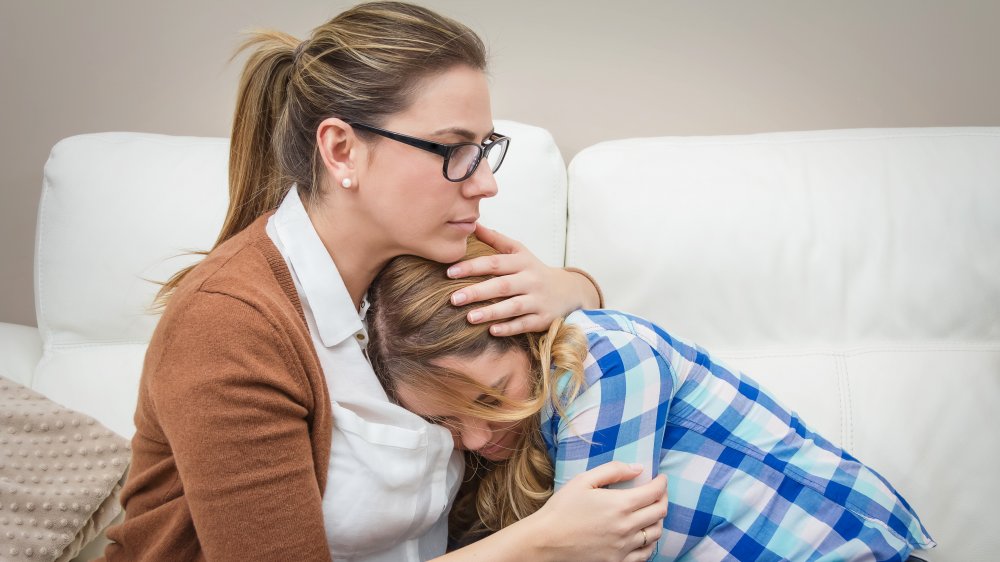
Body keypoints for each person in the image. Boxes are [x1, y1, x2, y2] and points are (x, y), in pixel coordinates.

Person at [100, 2, 667, 561]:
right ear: (341, 150)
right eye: (453, 149)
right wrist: (540, 542)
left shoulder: (414, 268)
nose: (485, 183)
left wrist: (571, 289)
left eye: (486, 148)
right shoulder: (228, 328)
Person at [366, 236, 937, 561]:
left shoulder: (604, 360)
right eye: (442, 418)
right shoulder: (491, 448)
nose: (473, 439)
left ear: (531, 337)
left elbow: (593, 554)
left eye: (492, 399)